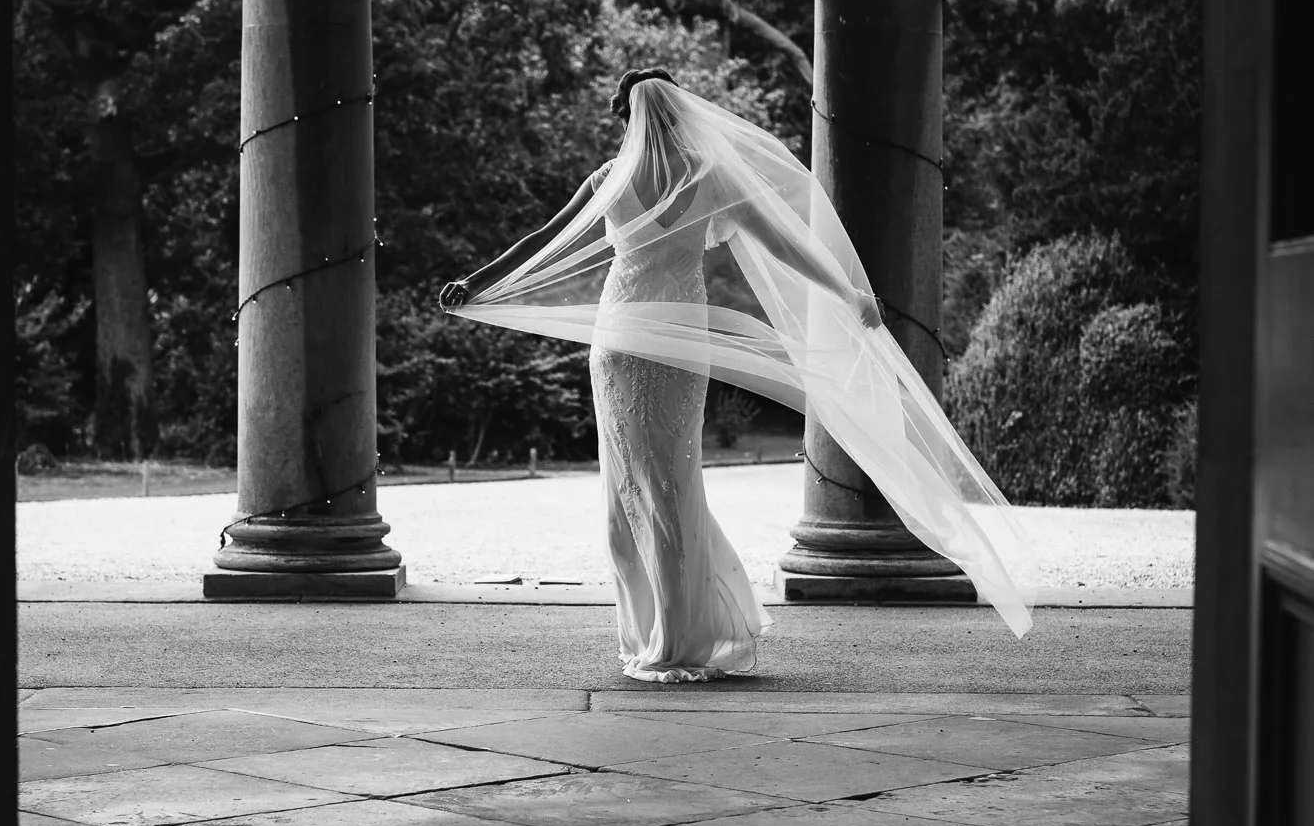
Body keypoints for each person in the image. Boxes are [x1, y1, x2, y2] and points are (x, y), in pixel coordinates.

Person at [440, 68, 1033, 680]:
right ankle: (678, 636)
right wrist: (847, 288)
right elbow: (785, 242)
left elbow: (545, 240)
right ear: (685, 115)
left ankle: (657, 634)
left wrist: (477, 283)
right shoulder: (710, 176)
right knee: (673, 481)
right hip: (671, 344)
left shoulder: (610, 179)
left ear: (627, 118)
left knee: (629, 490)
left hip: (618, 340)